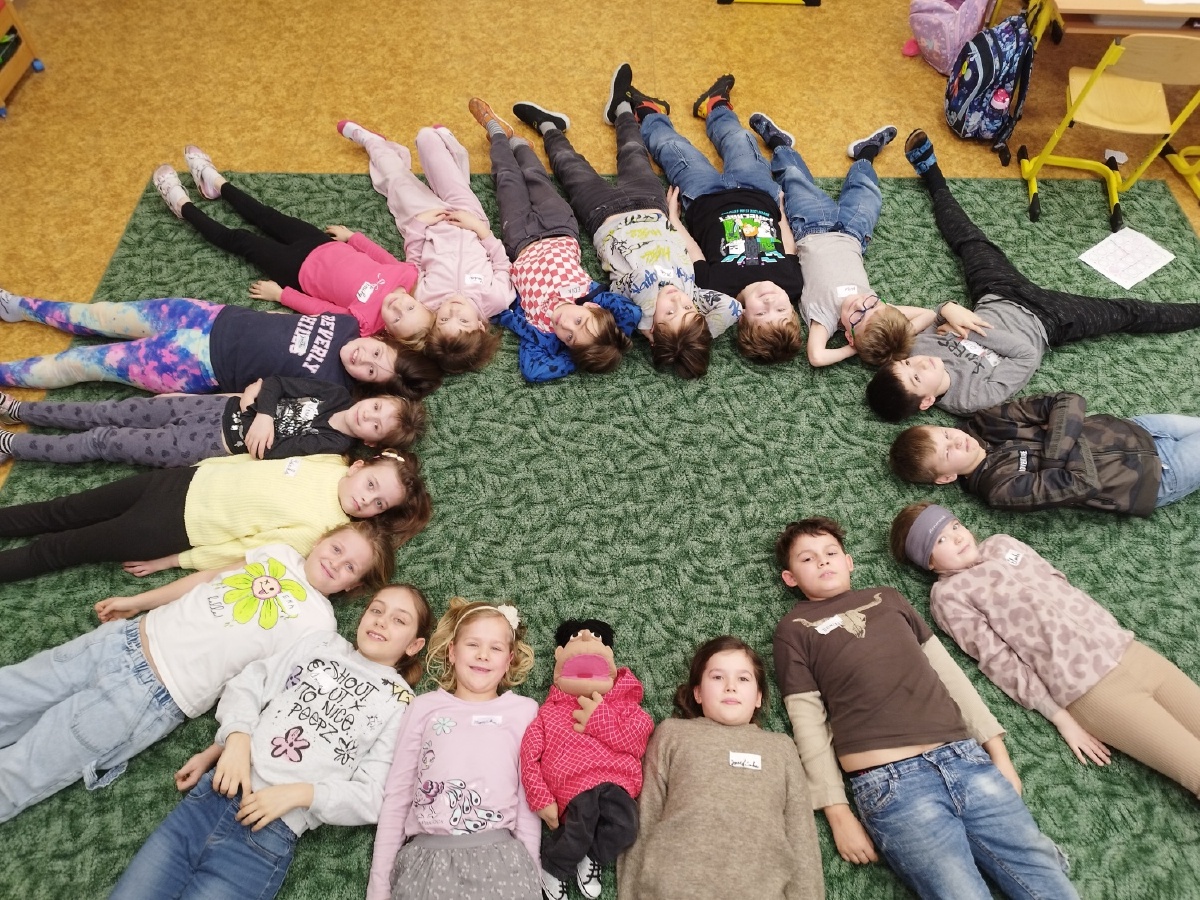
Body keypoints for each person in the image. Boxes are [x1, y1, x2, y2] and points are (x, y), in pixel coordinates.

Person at [0, 519, 393, 824]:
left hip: (153, 694)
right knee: (13, 689)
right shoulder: (278, 553)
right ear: (322, 539)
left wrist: (219, 749)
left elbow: (270, 694)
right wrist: (139, 602)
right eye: (336, 548)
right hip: (124, 638)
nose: (335, 562)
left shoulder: (319, 626)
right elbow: (207, 579)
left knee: (27, 767)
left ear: (352, 586)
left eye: (349, 567)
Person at [773, 516, 1079, 900]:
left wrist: (998, 752)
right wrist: (837, 812)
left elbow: (951, 677)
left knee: (1045, 877)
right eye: (807, 558)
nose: (822, 561)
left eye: (831, 552)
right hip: (891, 785)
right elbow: (807, 723)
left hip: (966, 759)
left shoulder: (888, 598)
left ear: (849, 561)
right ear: (790, 578)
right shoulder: (794, 628)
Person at [107, 583, 434, 900]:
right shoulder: (323, 645)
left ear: (414, 645)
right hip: (212, 797)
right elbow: (250, 683)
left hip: (266, 836)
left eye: (399, 620)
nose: (381, 621)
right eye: (376, 610)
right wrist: (235, 739)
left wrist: (300, 794)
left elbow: (373, 795)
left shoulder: (401, 703)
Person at [865, 130, 1200, 423]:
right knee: (1126, 312)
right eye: (916, 377)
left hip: (997, 292)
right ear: (926, 402)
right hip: (1049, 320)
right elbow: (1026, 355)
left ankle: (932, 175)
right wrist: (970, 329)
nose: (920, 364)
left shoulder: (917, 348)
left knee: (970, 241)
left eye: (907, 365)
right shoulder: (971, 399)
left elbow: (935, 314)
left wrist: (948, 309)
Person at [890, 502, 1200, 798]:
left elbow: (1058, 580)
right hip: (1091, 691)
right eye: (941, 539)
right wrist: (1061, 717)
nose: (958, 537)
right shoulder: (948, 596)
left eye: (955, 525)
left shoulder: (1000, 544)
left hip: (1131, 651)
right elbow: (1000, 661)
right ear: (929, 562)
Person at [509, 67, 741, 379]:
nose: (677, 301)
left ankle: (549, 126)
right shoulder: (693, 292)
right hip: (651, 205)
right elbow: (732, 308)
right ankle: (620, 108)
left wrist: (652, 324)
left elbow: (643, 279)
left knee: (570, 166)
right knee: (633, 152)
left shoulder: (634, 307)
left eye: (670, 312)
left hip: (602, 214)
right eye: (687, 309)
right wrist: (694, 335)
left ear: (651, 330)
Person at [0, 448, 431, 583]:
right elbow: (259, 463)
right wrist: (204, 466)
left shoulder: (323, 530)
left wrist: (175, 560)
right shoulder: (330, 462)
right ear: (358, 467)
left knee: (62, 548)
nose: (367, 501)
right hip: (180, 482)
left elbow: (245, 552)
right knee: (65, 509)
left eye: (379, 504)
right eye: (371, 485)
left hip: (172, 527)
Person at [617, 635, 825, 900]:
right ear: (698, 692)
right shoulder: (672, 733)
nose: (730, 687)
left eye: (743, 679)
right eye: (717, 677)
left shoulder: (781, 747)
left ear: (758, 697)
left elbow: (802, 836)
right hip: (674, 888)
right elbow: (644, 818)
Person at [366, 598, 540, 900]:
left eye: (496, 648)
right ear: (452, 651)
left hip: (502, 862)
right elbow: (398, 797)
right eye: (473, 644)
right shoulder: (424, 708)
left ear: (509, 659)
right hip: (426, 861)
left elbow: (529, 800)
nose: (483, 655)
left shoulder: (523, 711)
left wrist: (533, 874)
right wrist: (378, 889)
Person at [151, 147, 420, 340]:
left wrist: (281, 295)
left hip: (295, 270)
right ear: (418, 302)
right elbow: (380, 255)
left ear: (390, 332)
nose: (397, 306)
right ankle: (216, 183)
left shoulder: (365, 324)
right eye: (410, 307)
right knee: (266, 215)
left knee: (241, 239)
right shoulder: (406, 275)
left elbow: (323, 310)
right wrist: (352, 237)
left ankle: (183, 206)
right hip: (320, 243)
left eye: (398, 318)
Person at [632, 70, 807, 365]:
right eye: (781, 310)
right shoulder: (791, 283)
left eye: (762, 313)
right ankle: (715, 106)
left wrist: (674, 219)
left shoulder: (717, 288)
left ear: (742, 317)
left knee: (673, 148)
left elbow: (694, 251)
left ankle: (650, 113)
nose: (770, 302)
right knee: (740, 138)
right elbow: (787, 246)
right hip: (757, 191)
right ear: (792, 310)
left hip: (703, 198)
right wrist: (780, 212)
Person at [468, 98, 639, 382]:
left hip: (519, 238)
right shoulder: (590, 295)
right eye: (579, 321)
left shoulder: (540, 328)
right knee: (535, 177)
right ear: (592, 309)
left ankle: (495, 132)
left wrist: (578, 354)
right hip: (558, 225)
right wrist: (609, 341)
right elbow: (631, 314)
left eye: (569, 337)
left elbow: (533, 371)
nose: (566, 324)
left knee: (507, 180)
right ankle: (519, 146)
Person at [0, 289, 441, 399]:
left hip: (191, 364)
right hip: (205, 316)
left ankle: (6, 375)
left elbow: (258, 398)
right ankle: (21, 306)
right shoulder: (346, 325)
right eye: (377, 353)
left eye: (370, 371)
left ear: (367, 384)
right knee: (99, 315)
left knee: (85, 362)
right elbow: (286, 321)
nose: (363, 358)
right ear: (382, 340)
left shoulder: (332, 389)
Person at [748, 111, 930, 368]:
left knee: (795, 179)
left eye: (857, 317)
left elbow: (817, 357)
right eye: (872, 305)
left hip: (811, 227)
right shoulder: (880, 309)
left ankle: (778, 143)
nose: (861, 305)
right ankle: (866, 153)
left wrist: (853, 349)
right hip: (854, 233)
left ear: (849, 336)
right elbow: (928, 314)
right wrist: (893, 337)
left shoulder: (827, 318)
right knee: (868, 192)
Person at [336, 121, 511, 375]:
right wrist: (480, 229)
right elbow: (501, 262)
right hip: (469, 216)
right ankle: (454, 154)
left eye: (443, 319)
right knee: (426, 136)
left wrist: (419, 226)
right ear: (480, 326)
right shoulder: (496, 299)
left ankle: (372, 142)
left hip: (426, 221)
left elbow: (414, 262)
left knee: (397, 181)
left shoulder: (426, 299)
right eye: (463, 320)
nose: (453, 309)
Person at [888, 391, 1200, 517]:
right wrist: (1062, 433)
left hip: (1140, 428)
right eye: (947, 452)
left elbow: (1067, 401)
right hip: (1155, 477)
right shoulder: (1000, 488)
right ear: (946, 477)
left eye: (945, 434)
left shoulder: (988, 421)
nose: (957, 441)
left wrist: (1054, 460)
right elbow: (1082, 483)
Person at [0, 378, 425, 467]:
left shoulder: (332, 446)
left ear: (372, 443)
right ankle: (20, 410)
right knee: (110, 411)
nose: (369, 416)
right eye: (377, 407)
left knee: (107, 440)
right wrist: (264, 412)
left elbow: (269, 450)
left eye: (377, 425)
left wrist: (261, 409)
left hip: (208, 443)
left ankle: (10, 446)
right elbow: (276, 382)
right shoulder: (335, 393)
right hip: (212, 406)